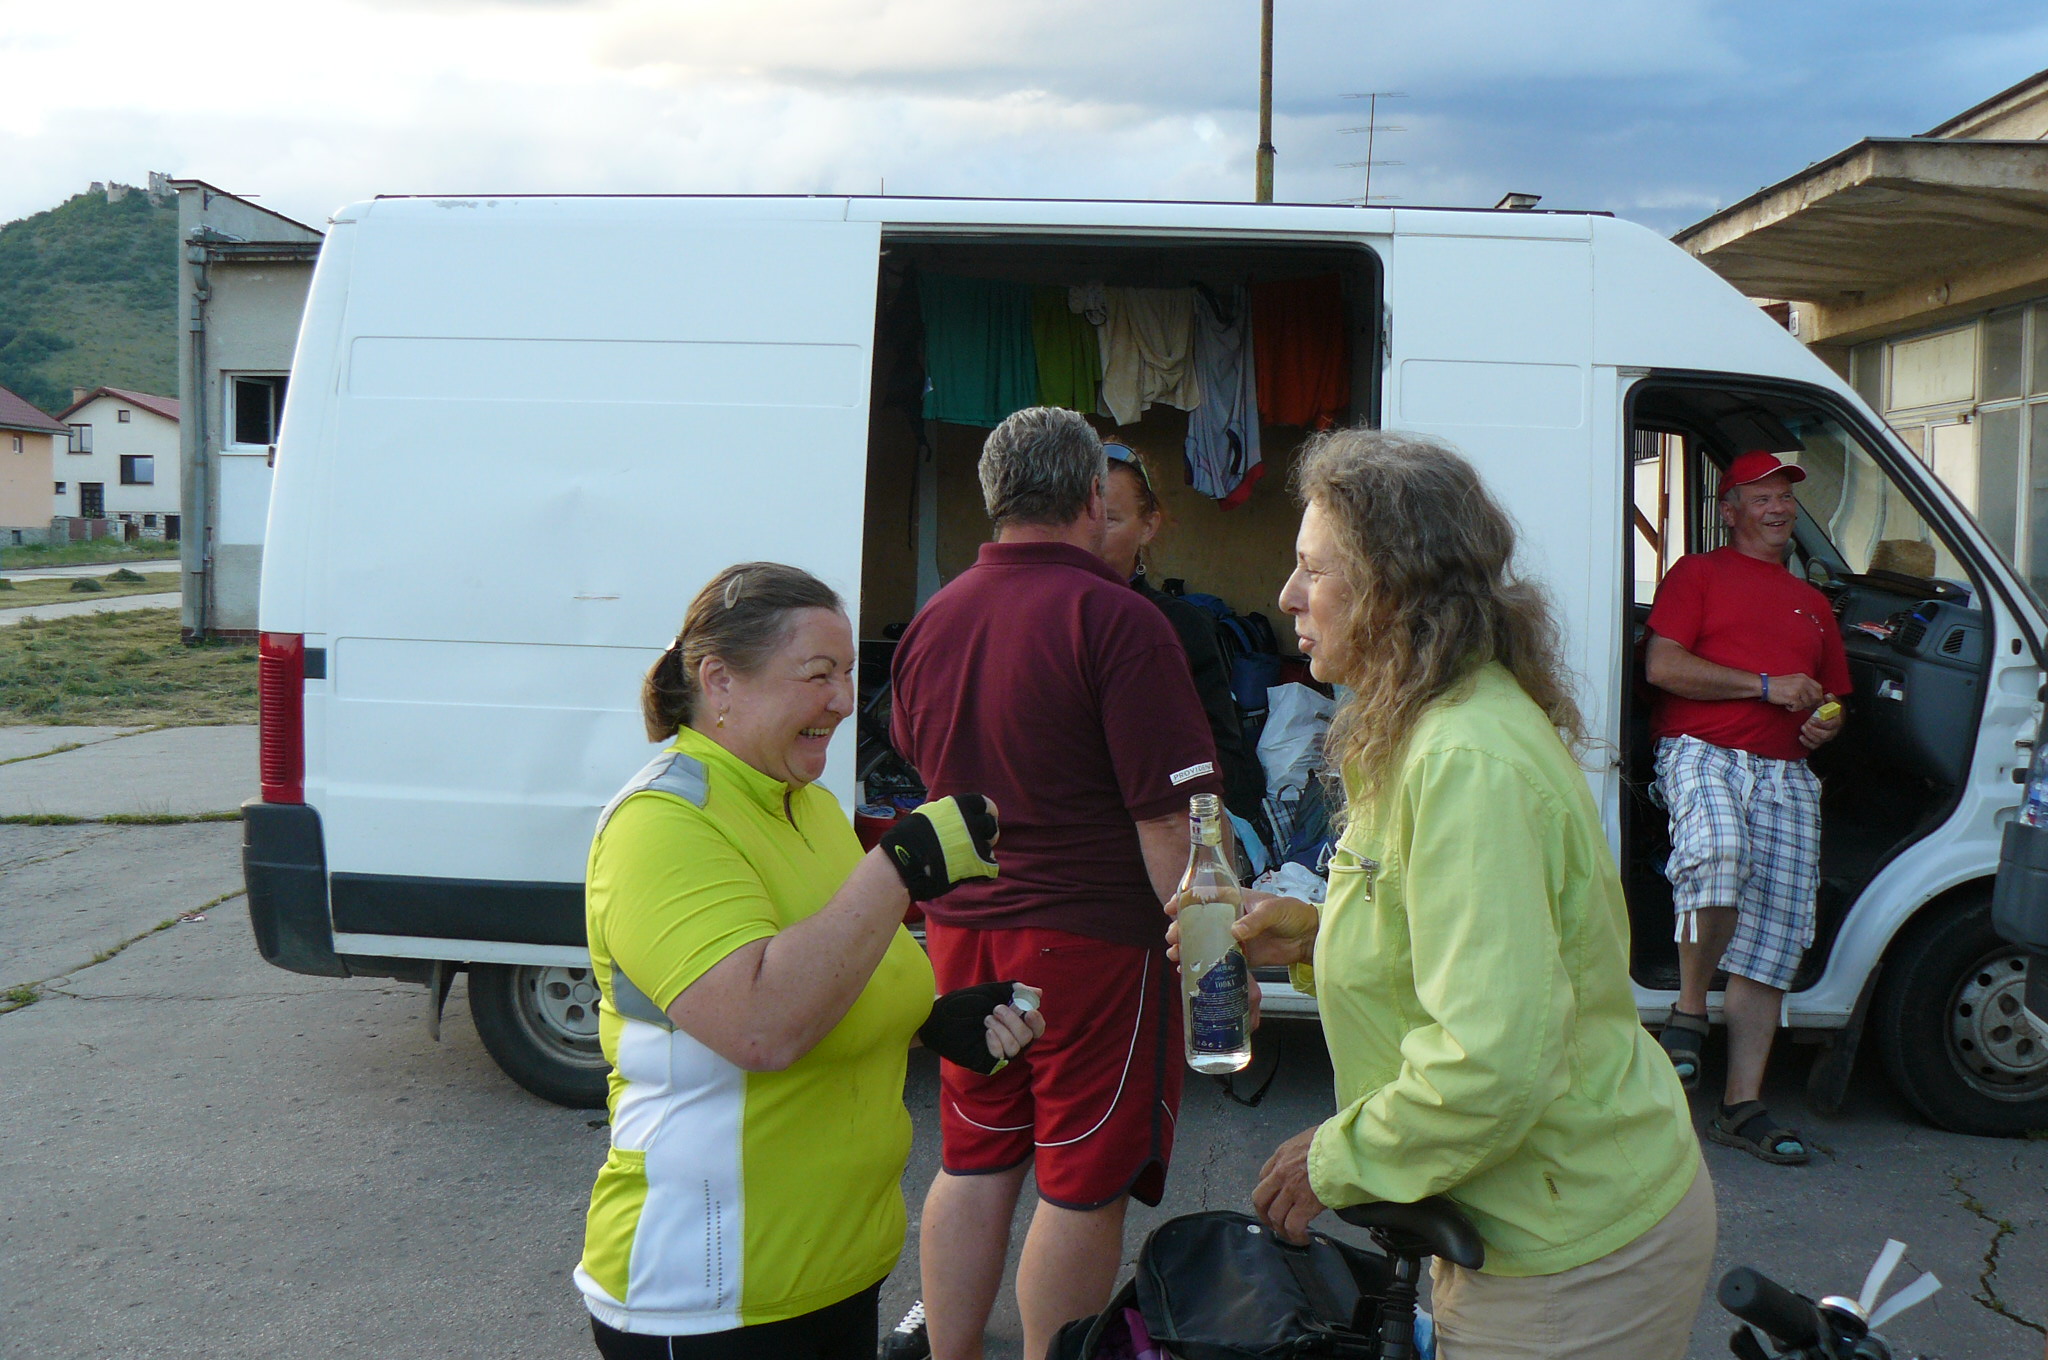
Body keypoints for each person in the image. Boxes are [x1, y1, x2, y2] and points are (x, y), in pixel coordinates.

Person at [1227, 430, 1712, 1360]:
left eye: (1312, 571)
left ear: (1391, 589)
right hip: (1530, 1224)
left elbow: (1493, 1058)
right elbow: (1453, 945)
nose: (1288, 597)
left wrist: (1334, 1157)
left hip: (1573, 1260)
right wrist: (1318, 938)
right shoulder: (1425, 724)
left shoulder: (1463, 758)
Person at [574, 561, 1044, 1360]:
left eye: (849, 675)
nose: (841, 700)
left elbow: (836, 969)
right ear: (719, 681)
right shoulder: (662, 822)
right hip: (710, 1298)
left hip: (833, 1272)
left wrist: (931, 1023)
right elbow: (761, 1024)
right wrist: (900, 865)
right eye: (818, 675)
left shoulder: (808, 805)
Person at [888, 407, 1225, 1360]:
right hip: (1092, 946)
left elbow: (922, 763)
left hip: (964, 937)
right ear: (1090, 498)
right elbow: (1172, 821)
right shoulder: (1121, 621)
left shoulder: (936, 619)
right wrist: (1212, 965)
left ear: (995, 499)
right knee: (1080, 1181)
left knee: (976, 1155)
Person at [1645, 449, 1850, 1165]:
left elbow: (1831, 700)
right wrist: (1765, 686)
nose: (1778, 508)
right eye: (1762, 497)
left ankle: (1741, 1106)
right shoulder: (1696, 574)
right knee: (1717, 854)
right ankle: (1689, 1013)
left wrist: (1827, 719)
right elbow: (1663, 667)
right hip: (1703, 751)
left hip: (1787, 770)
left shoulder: (1814, 602)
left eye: (1786, 498)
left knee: (1777, 933)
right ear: (1729, 510)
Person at [1098, 440, 1266, 829]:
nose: (1090, 535)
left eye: (1108, 520)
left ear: (1149, 526)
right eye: (1077, 517)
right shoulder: (1038, 615)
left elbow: (1222, 761)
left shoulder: (1176, 626)